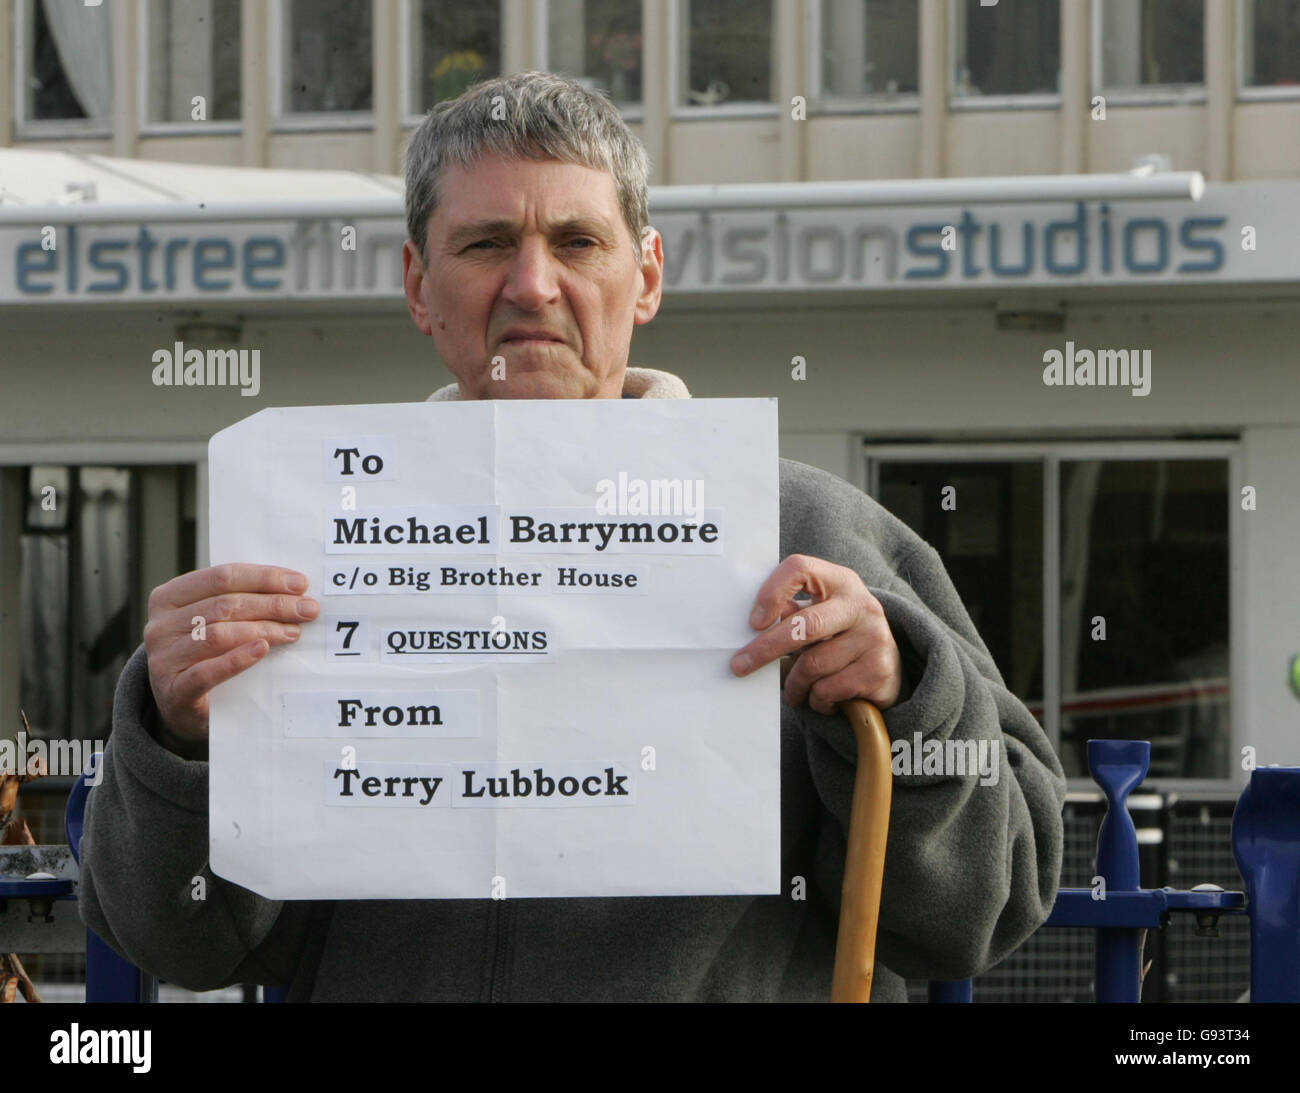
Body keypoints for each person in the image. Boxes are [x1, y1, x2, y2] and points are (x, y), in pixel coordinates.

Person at [78, 71, 1065, 1002]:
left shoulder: (816, 534)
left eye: (579, 242)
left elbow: (989, 907)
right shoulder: (304, 548)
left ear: (646, 276)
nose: (533, 285)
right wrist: (178, 742)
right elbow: (178, 941)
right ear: (419, 284)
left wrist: (907, 701)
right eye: (486, 243)